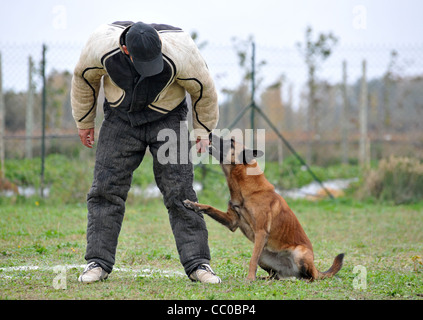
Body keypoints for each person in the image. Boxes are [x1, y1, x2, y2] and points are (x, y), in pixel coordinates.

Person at [71, 21, 220, 283]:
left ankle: (198, 264)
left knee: (180, 192)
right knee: (105, 189)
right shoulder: (100, 47)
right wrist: (84, 122)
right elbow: (84, 78)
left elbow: (204, 90)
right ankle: (98, 262)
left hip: (168, 118)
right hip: (120, 118)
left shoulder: (181, 53)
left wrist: (202, 131)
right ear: (126, 50)